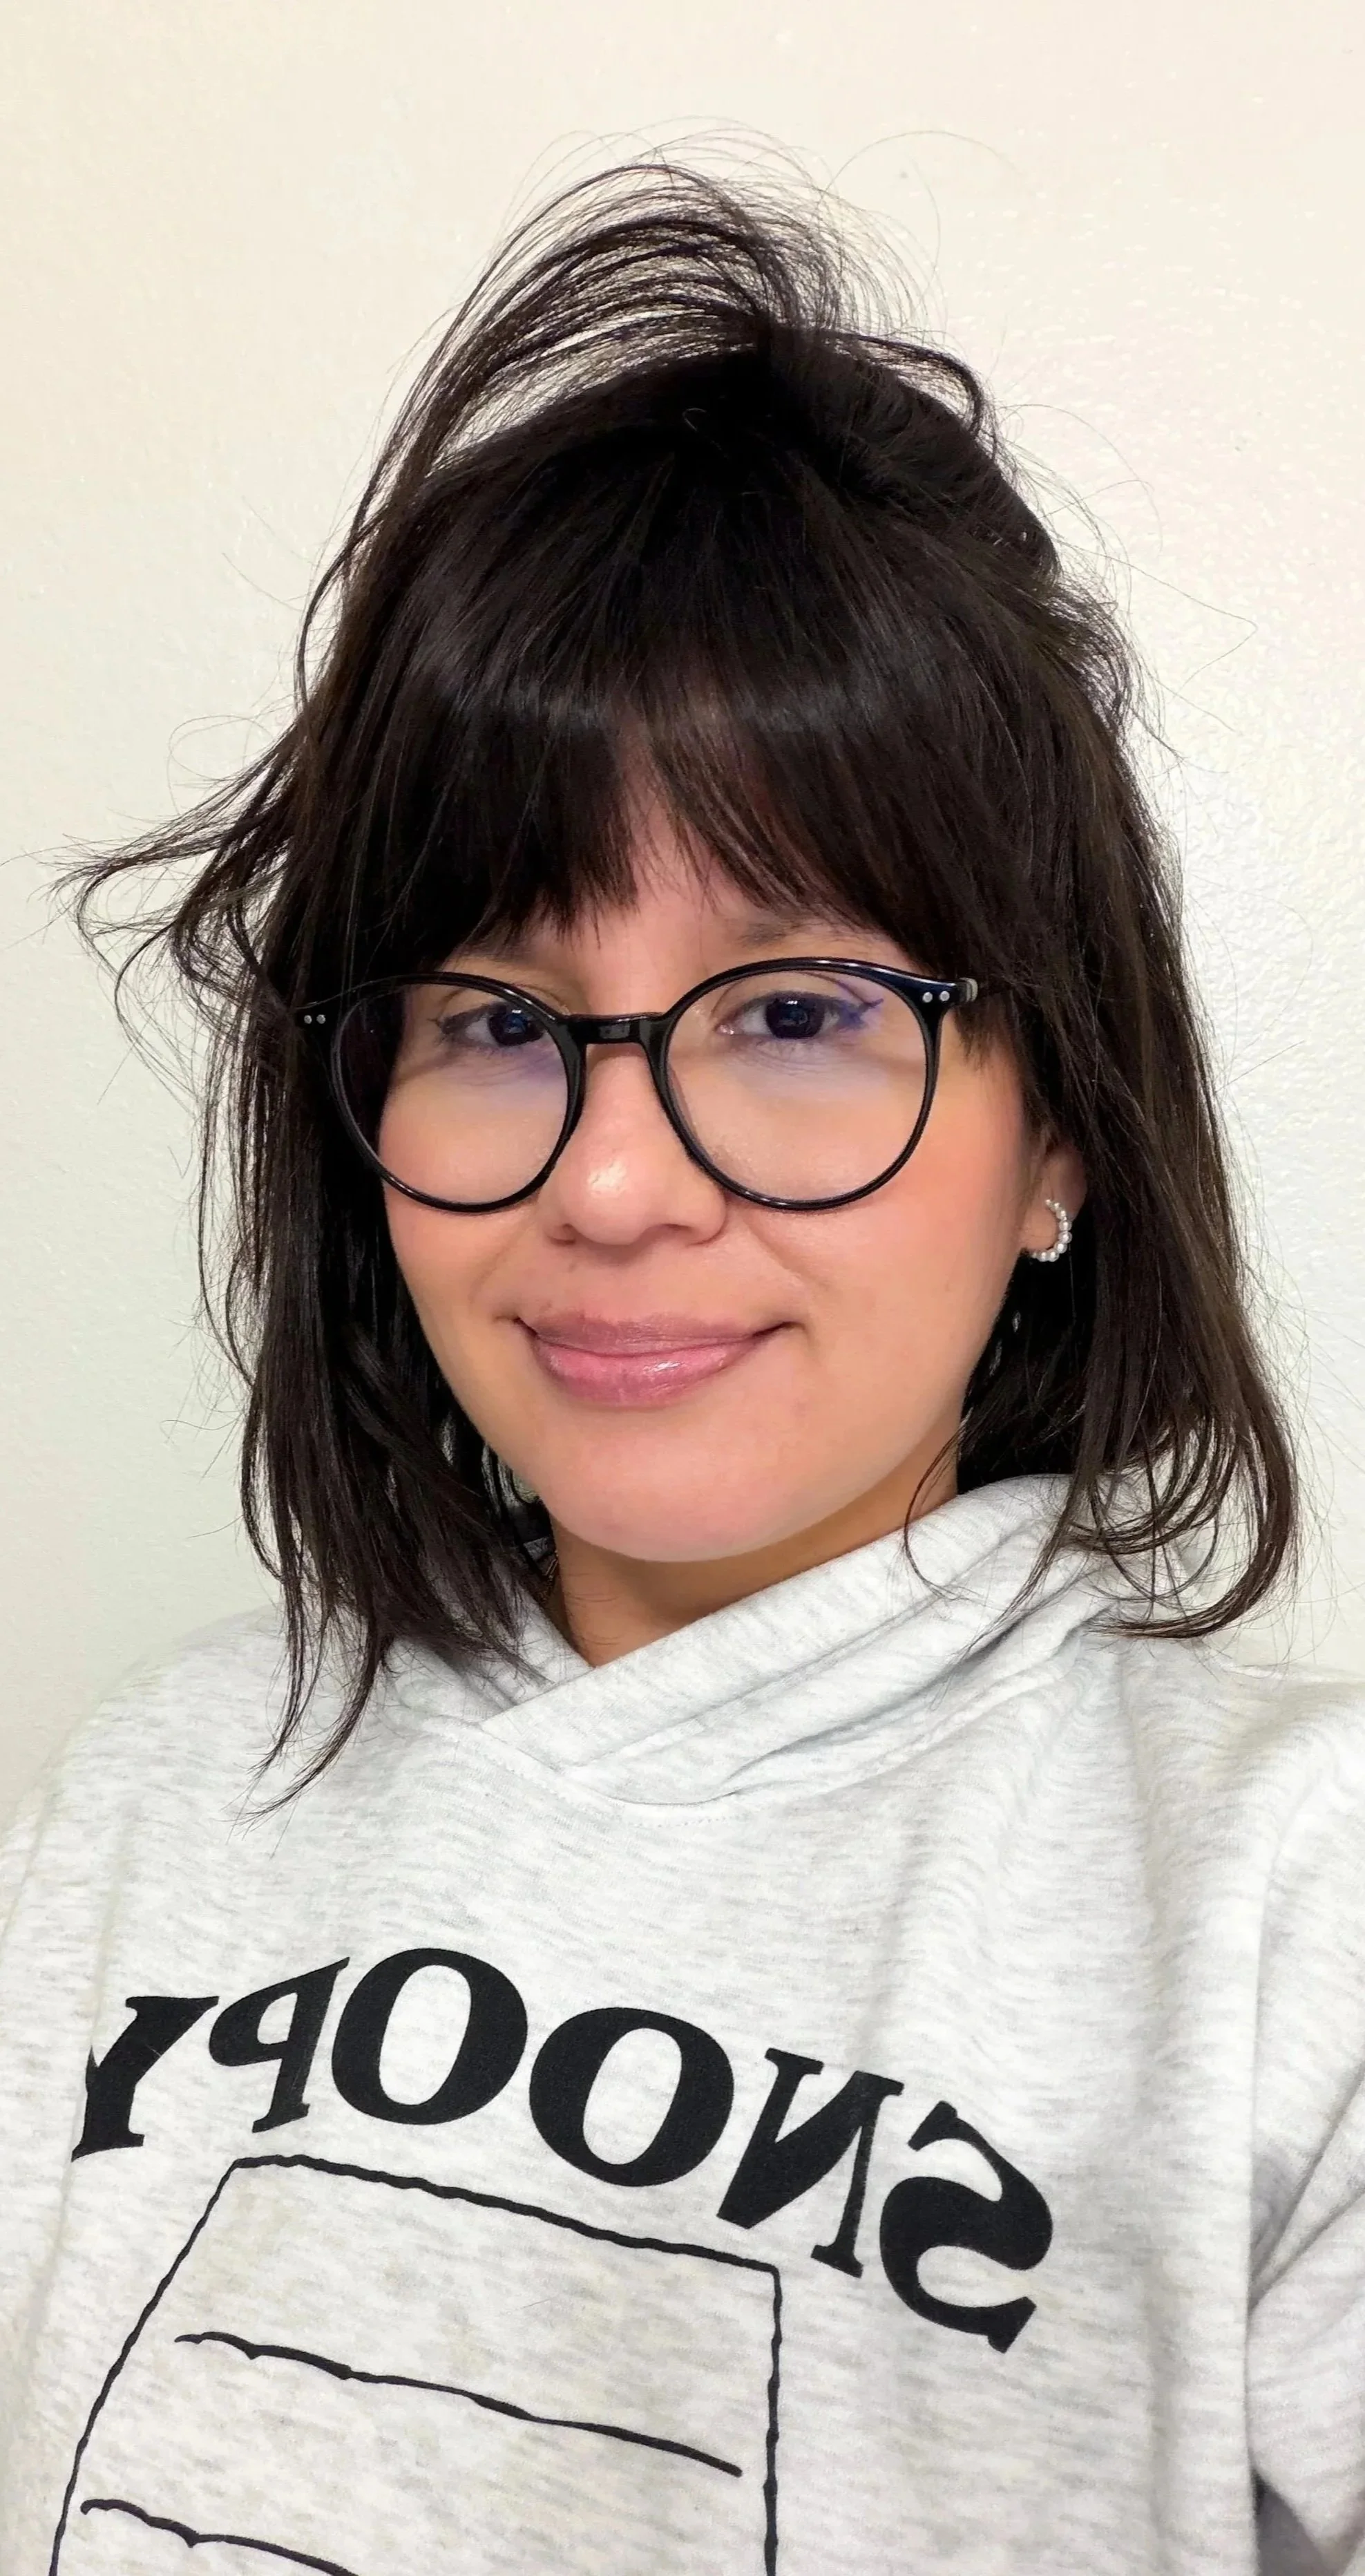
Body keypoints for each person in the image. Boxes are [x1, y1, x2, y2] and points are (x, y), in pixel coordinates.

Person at [0, 159, 1359, 2576]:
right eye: (494, 1020)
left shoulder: (1287, 1904)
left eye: (802, 1013)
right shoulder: (165, 1788)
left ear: (1059, 1131)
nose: (616, 1183)